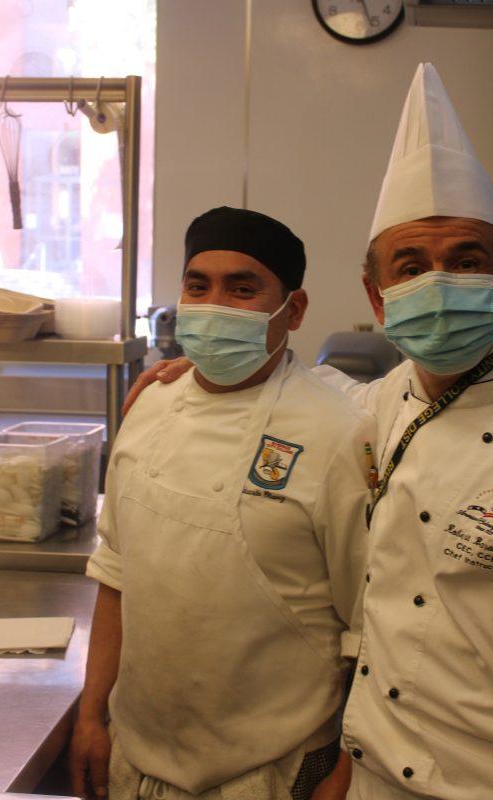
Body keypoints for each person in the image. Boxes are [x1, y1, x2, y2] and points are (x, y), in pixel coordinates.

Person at [126, 65, 493, 800]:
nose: (437, 285)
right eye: (411, 266)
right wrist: (198, 379)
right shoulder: (386, 403)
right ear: (377, 296)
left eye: (465, 262)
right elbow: (312, 399)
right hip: (376, 775)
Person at [71, 206, 373, 800]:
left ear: (295, 310)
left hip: (270, 772)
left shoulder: (340, 432)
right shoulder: (149, 405)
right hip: (136, 760)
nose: (214, 305)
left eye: (243, 288)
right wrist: (90, 714)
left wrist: (349, 770)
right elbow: (116, 574)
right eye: (198, 285)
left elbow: (370, 629)